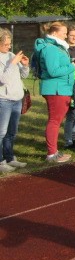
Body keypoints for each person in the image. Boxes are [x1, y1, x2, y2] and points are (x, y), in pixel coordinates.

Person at [34, 22, 75, 163]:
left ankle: (54, 151)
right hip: (55, 89)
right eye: (64, 32)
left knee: (56, 121)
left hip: (61, 88)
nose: (66, 35)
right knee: (54, 121)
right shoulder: (51, 49)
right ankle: (51, 153)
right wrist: (72, 67)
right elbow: (53, 71)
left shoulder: (57, 47)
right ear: (55, 33)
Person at [0, 28, 30, 172]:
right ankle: (1, 162)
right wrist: (12, 64)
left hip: (17, 98)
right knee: (1, 132)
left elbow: (23, 76)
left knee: (12, 131)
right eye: (6, 44)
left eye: (10, 44)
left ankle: (10, 157)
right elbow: (3, 79)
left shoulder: (11, 55)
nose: (9, 47)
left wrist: (25, 65)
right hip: (3, 100)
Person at [62, 25, 75, 149]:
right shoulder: (63, 50)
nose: (74, 38)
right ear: (67, 36)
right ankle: (68, 140)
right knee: (71, 114)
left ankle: (74, 138)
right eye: (72, 35)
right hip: (68, 84)